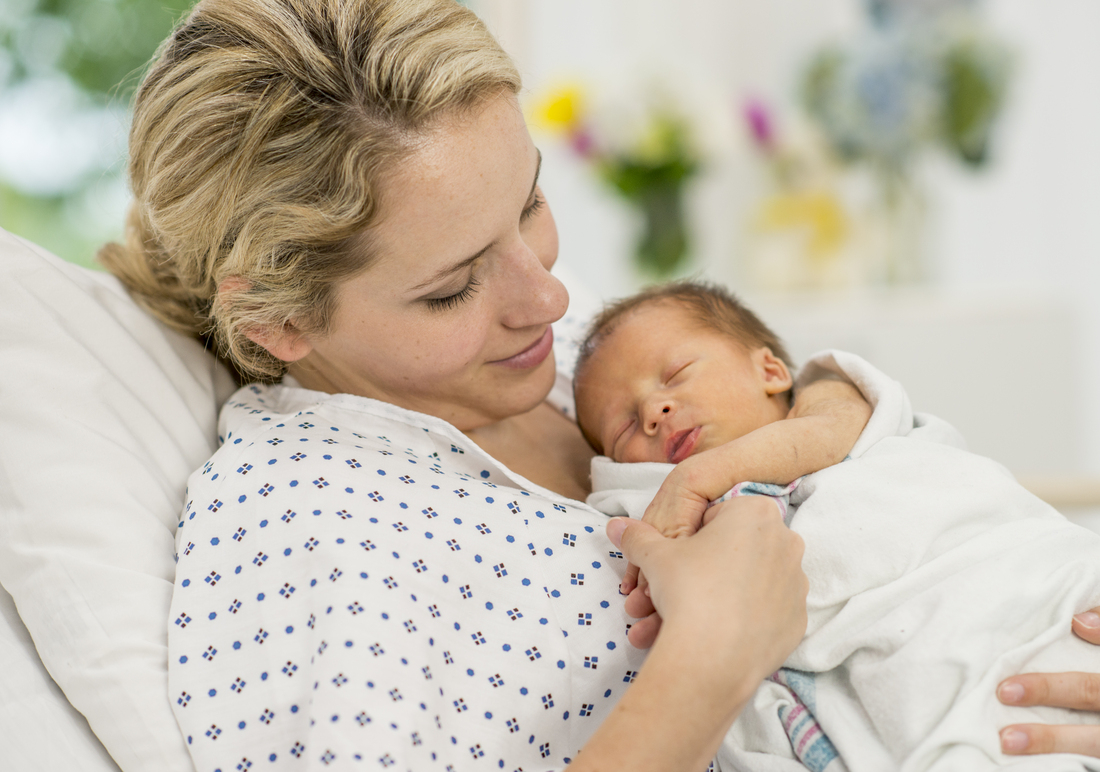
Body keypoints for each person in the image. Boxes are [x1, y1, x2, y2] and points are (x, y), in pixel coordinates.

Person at [96, 1, 883, 769]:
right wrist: (710, 659)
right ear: (280, 321)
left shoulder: (570, 356)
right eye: (452, 288)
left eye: (531, 202)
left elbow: (804, 386)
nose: (552, 298)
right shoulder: (303, 523)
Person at [571, 281, 1100, 766]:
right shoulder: (659, 514)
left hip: (1035, 594)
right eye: (623, 427)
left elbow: (828, 432)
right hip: (927, 683)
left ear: (772, 372)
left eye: (676, 374)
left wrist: (696, 478)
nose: (654, 411)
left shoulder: (843, 419)